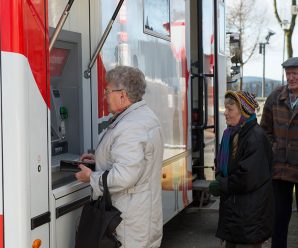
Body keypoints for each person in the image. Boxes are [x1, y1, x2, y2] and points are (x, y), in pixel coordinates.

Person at [75, 66, 164, 248]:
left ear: (122, 95)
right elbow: (133, 161)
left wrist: (90, 177)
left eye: (107, 91)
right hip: (141, 214)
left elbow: (124, 176)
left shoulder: (131, 126)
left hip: (129, 222)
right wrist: (98, 160)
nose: (105, 96)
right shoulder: (143, 116)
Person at [209, 91, 273, 248]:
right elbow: (222, 163)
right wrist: (219, 176)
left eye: (230, 109)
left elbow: (246, 177)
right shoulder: (231, 133)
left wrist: (222, 184)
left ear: (243, 112)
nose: (225, 113)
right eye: (225, 109)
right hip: (236, 212)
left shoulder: (255, 137)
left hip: (249, 215)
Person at [260, 57, 298, 248]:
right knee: (279, 218)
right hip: (280, 168)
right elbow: (264, 129)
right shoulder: (275, 97)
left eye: (295, 74)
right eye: (288, 74)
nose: (291, 78)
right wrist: (273, 147)